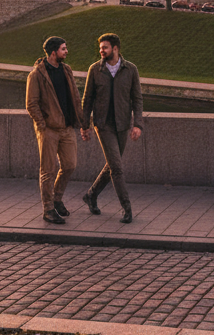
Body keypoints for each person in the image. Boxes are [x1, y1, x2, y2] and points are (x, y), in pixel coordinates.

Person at [25, 35, 89, 224]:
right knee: (48, 171)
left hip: (68, 127)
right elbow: (31, 104)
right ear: (54, 52)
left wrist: (83, 123)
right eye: (63, 49)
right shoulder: (37, 74)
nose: (66, 51)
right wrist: (43, 125)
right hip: (49, 130)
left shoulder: (66, 69)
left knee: (70, 165)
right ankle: (48, 209)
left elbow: (76, 98)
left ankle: (57, 198)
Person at [80, 32, 142, 224]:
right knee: (117, 167)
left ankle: (91, 195)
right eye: (100, 48)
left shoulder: (130, 70)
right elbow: (87, 99)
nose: (101, 51)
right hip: (103, 125)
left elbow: (137, 99)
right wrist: (85, 125)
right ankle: (127, 208)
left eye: (104, 47)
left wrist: (137, 124)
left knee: (112, 165)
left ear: (115, 49)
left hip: (123, 124)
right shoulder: (95, 70)